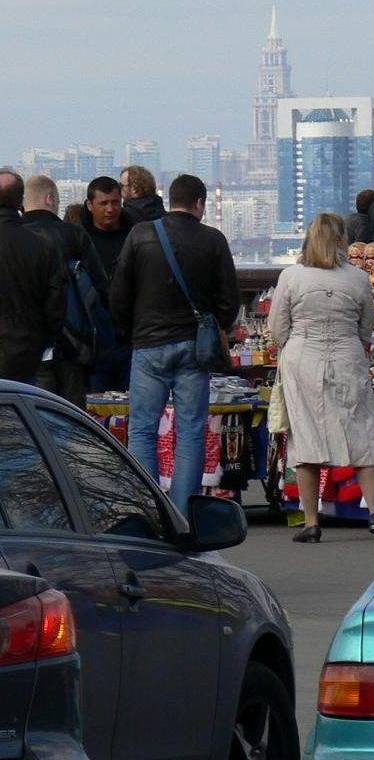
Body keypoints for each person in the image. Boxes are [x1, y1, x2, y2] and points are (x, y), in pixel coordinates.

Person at [108, 173, 241, 514]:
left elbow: (119, 293)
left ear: (170, 200)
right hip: (193, 348)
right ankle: (182, 512)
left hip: (148, 344)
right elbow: (229, 302)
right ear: (200, 204)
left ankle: (149, 509)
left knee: (142, 430)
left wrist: (129, 331)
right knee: (191, 431)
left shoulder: (141, 235)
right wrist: (217, 325)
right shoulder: (213, 240)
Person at [267, 213, 374, 544]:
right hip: (347, 355)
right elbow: (366, 328)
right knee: (362, 431)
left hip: (303, 358)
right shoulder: (358, 278)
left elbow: (277, 329)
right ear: (341, 240)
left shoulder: (291, 276)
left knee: (306, 438)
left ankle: (311, 522)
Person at [22, 174, 108, 407]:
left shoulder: (12, 237)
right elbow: (99, 286)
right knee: (72, 419)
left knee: (35, 414)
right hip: (73, 341)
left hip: (27, 345)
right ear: (50, 198)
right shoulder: (73, 234)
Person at [0, 169, 62, 384]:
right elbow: (55, 302)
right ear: (20, 202)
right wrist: (43, 340)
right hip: (27, 349)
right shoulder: (41, 245)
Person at [80, 176, 135, 391]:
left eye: (115, 202)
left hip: (129, 337)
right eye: (103, 203)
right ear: (90, 205)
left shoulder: (135, 234)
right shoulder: (79, 239)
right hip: (94, 338)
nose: (110, 209)